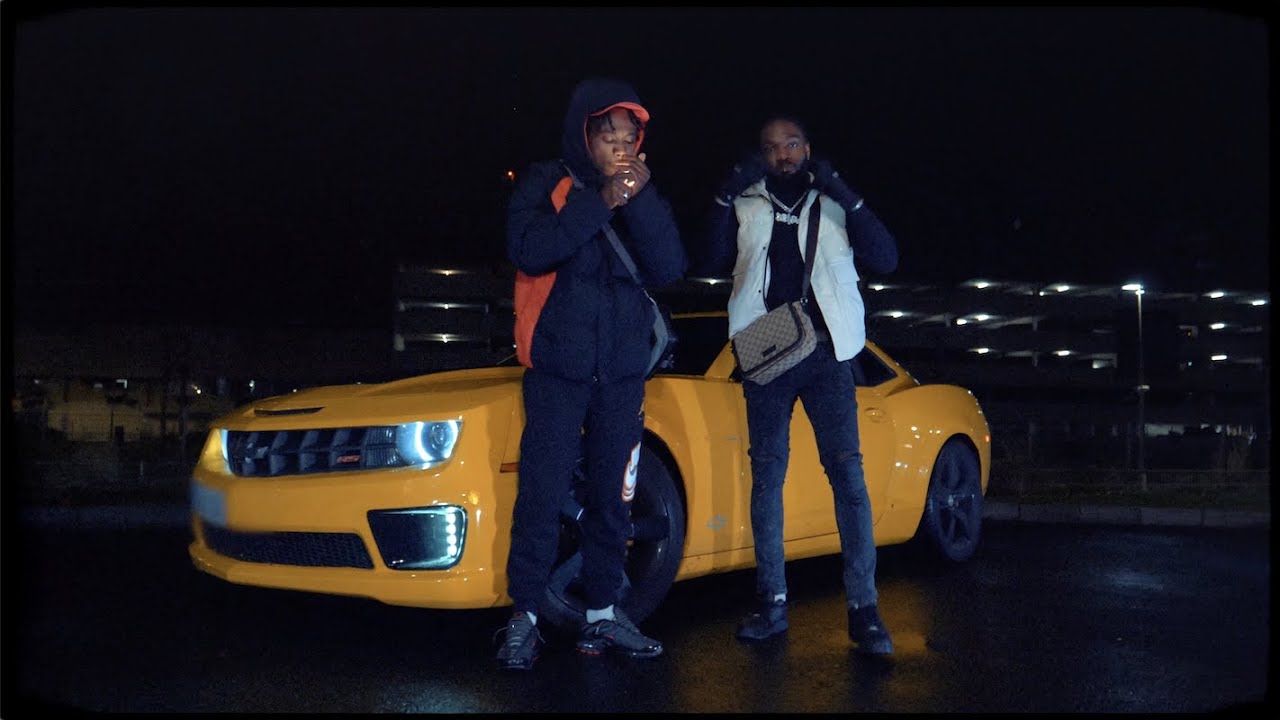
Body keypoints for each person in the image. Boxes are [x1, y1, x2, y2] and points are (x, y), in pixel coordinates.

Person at [495, 77, 687, 671]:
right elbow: (529, 249)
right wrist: (600, 200)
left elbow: (670, 266)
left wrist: (639, 200)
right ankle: (525, 617)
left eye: (629, 139)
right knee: (541, 493)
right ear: (584, 136)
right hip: (558, 371)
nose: (621, 150)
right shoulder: (545, 182)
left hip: (623, 375)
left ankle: (602, 615)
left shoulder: (641, 194)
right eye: (609, 138)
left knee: (613, 499)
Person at [696, 113, 899, 655]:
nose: (782, 155)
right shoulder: (747, 202)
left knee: (847, 475)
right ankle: (772, 604)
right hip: (767, 349)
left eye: (790, 145)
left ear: (807, 148)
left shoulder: (833, 202)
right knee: (767, 476)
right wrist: (723, 197)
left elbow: (886, 257)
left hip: (828, 351)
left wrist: (843, 191)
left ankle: (864, 609)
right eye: (771, 148)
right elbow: (709, 260)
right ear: (760, 155)